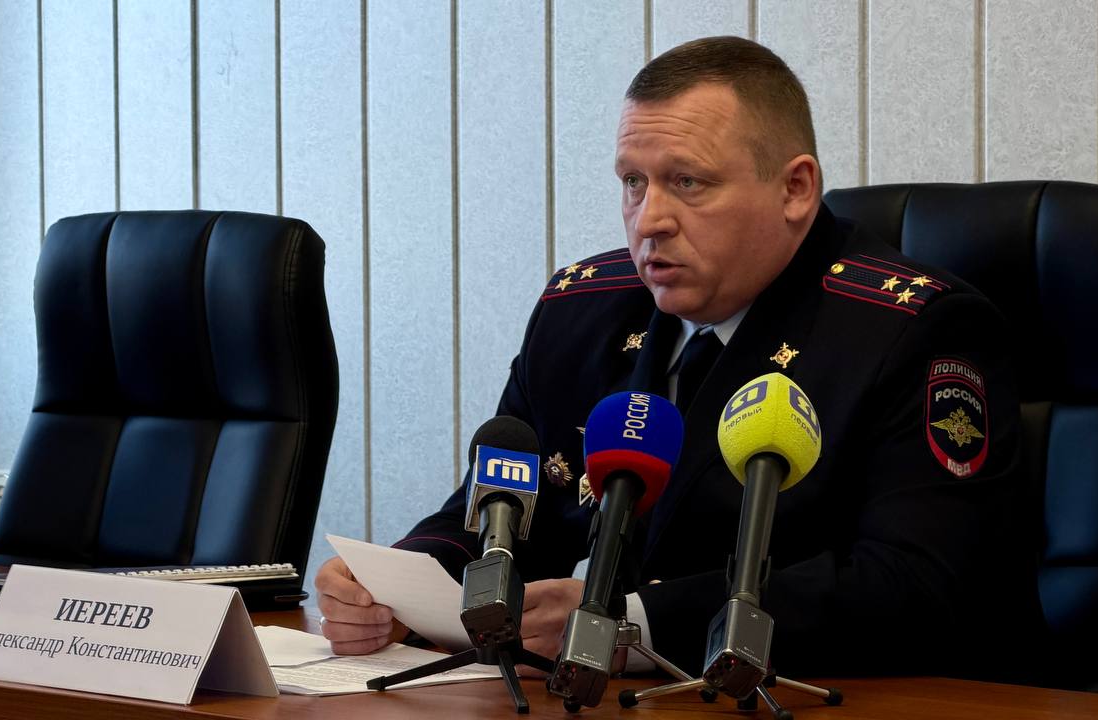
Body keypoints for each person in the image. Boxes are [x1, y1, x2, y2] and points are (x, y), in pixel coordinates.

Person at [315, 36, 1043, 682]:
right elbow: (503, 507)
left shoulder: (913, 330)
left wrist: (630, 623)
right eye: (633, 182)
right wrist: (398, 583)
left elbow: (920, 585)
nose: (650, 220)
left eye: (688, 182)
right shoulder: (579, 310)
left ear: (795, 189)